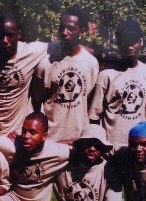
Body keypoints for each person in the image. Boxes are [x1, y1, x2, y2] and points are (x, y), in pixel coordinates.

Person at [33, 6, 99, 144]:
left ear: (82, 31)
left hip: (78, 138)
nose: (64, 32)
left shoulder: (91, 63)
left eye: (70, 28)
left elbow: (89, 99)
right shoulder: (46, 63)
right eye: (62, 27)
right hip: (51, 139)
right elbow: (36, 101)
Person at [89, 19, 146, 147]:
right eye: (125, 41)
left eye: (133, 41)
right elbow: (94, 116)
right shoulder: (106, 75)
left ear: (141, 42)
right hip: (110, 145)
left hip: (136, 146)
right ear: (118, 43)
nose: (130, 47)